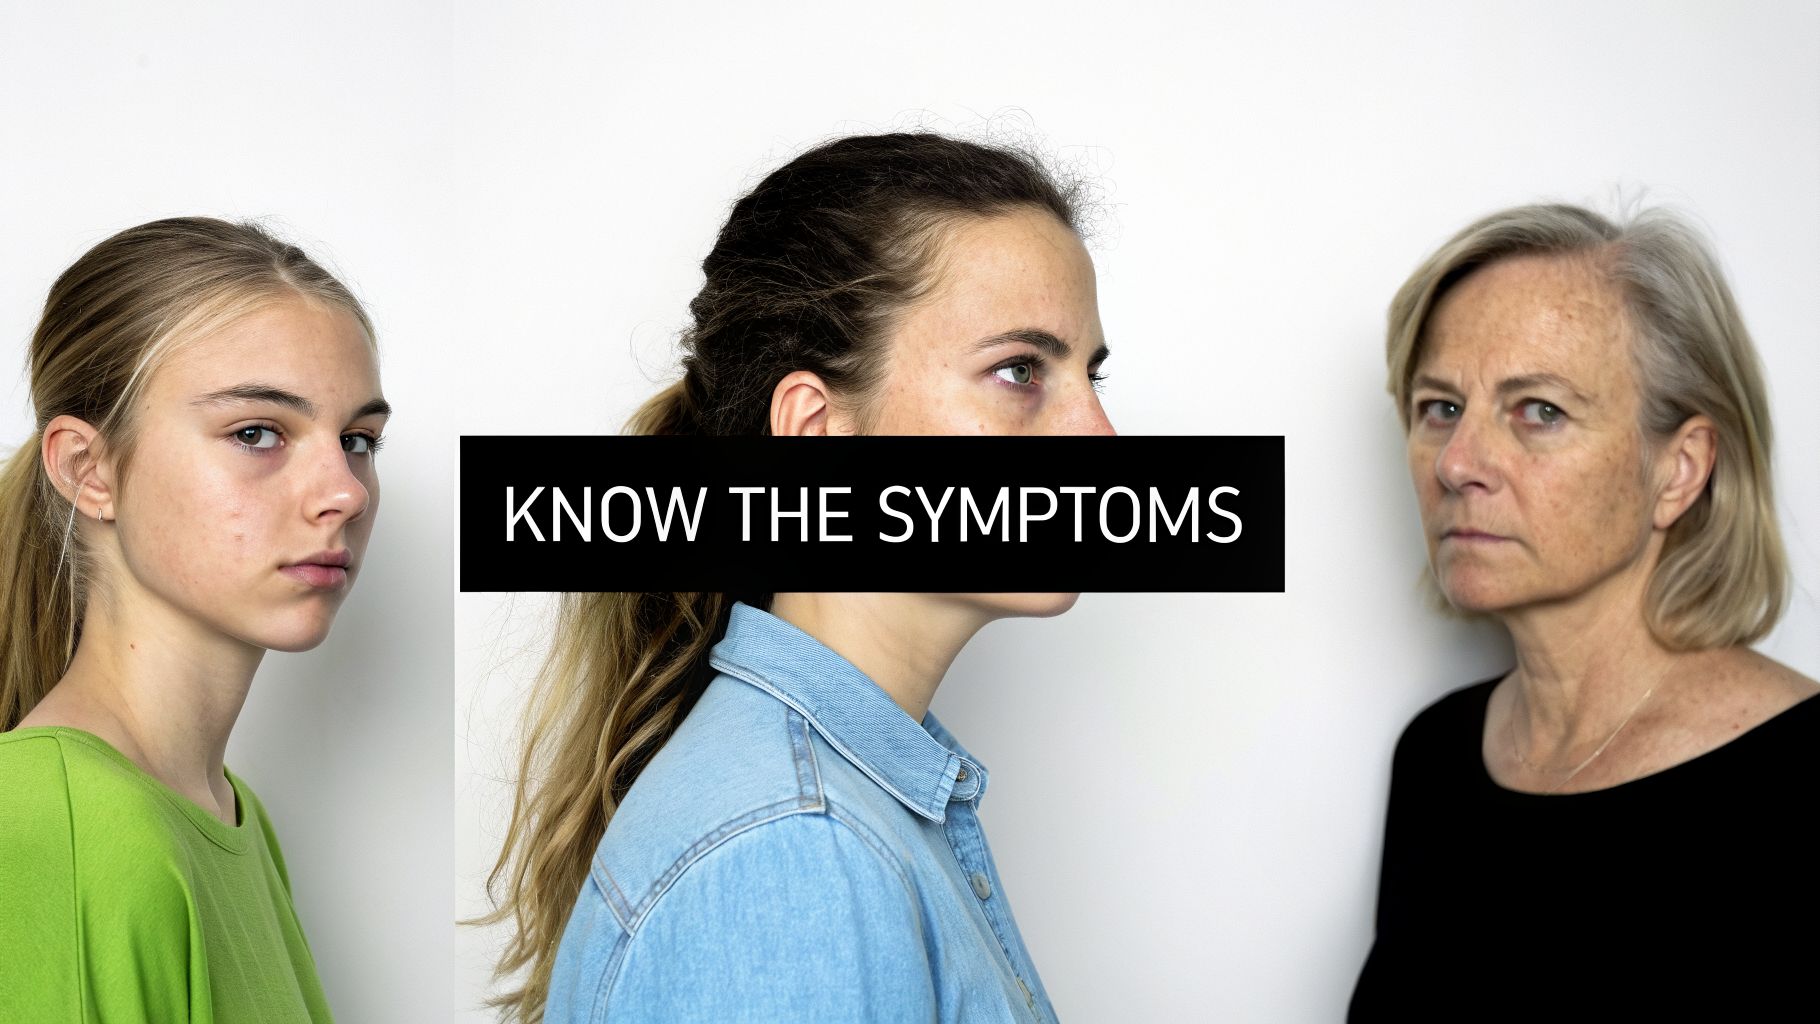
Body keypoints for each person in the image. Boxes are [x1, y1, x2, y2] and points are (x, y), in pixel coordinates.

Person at [481, 132, 1113, 1022]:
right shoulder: (795, 851)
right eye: (1020, 371)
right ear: (816, 433)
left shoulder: (845, 807)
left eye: (1090, 374)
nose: (1102, 438)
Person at [1350, 203, 1817, 1018]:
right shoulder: (1434, 758)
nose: (1458, 464)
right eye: (1440, 408)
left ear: (1679, 470)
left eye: (1540, 410)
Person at [0, 217, 390, 1022]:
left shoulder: (233, 818)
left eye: (358, 439)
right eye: (257, 432)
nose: (344, 490)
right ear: (89, 470)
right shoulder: (57, 829)